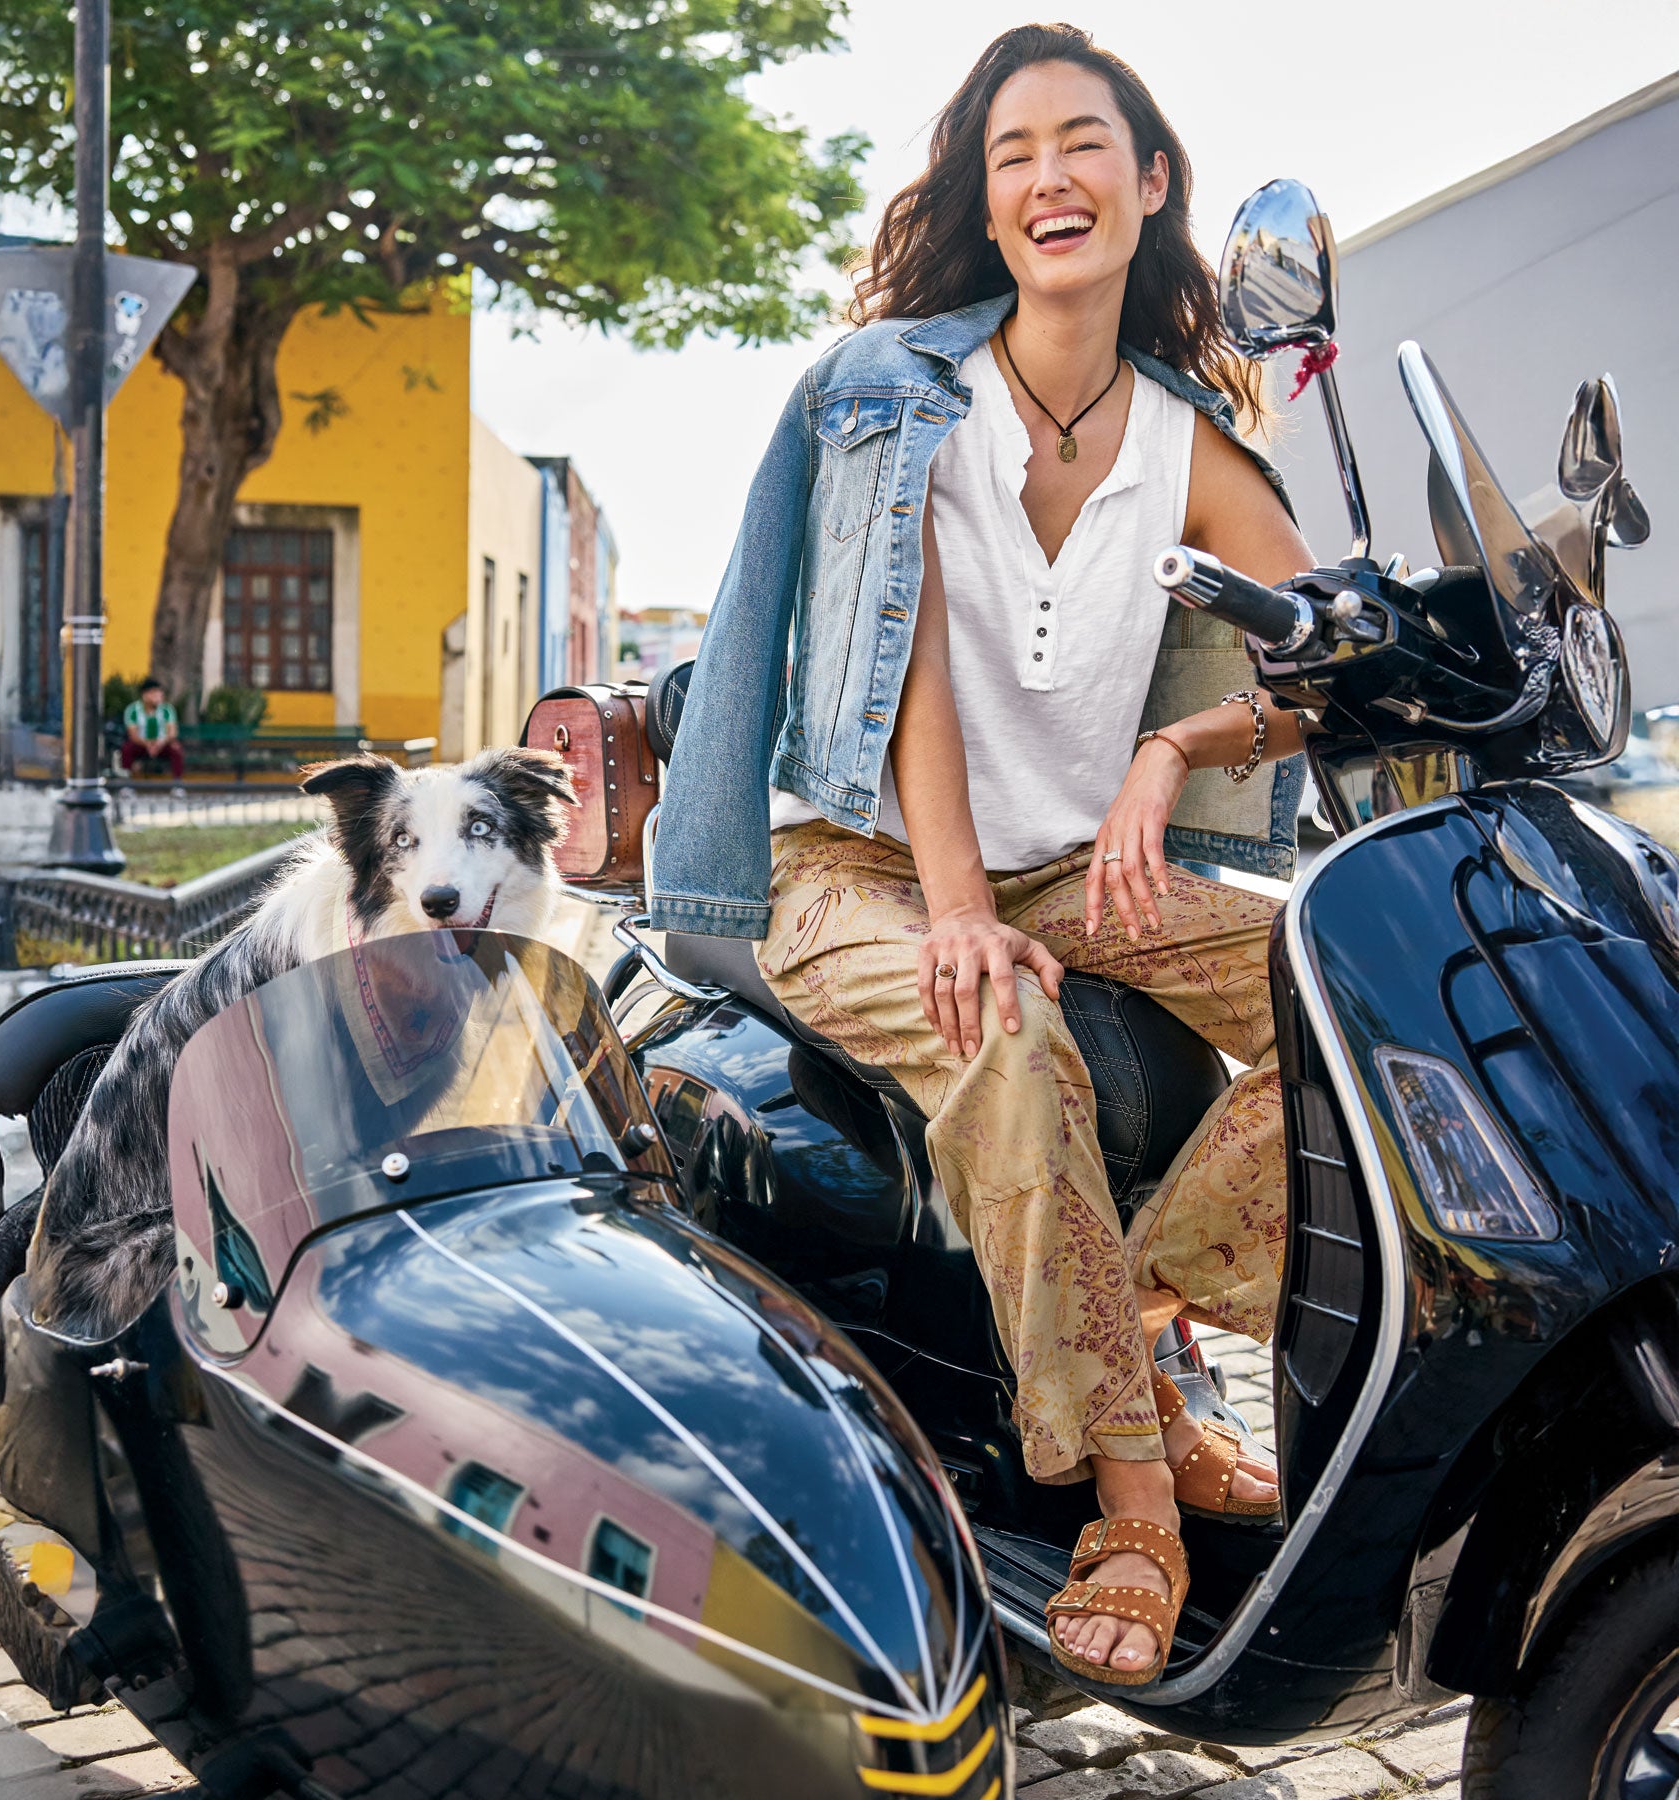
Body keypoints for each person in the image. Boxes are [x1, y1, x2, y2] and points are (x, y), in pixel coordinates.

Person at [652, 23, 1314, 1687]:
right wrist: (952, 908)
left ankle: (1130, 1315)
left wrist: (1176, 747)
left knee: (1351, 997)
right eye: (1012, 155)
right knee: (1004, 1032)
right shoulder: (898, 392)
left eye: (1081, 144)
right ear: (987, 202)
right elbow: (912, 676)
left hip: (1065, 864)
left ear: (1148, 184)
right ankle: (1135, 1498)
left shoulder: (1190, 444)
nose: (1047, 178)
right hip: (849, 859)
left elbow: (1319, 662)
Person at [122, 678, 184, 791]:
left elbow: (172, 733)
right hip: (141, 744)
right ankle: (127, 784)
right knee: (127, 748)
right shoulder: (133, 710)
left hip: (162, 744)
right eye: (155, 693)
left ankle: (177, 785)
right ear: (145, 695)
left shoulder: (167, 709)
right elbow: (133, 735)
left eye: (160, 692)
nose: (159, 695)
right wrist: (148, 745)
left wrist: (160, 743)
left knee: (176, 749)